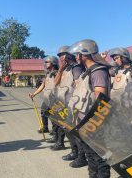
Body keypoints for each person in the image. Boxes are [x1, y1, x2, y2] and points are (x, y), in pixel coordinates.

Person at [68, 39, 111, 178]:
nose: (76, 57)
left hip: (94, 122)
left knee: (99, 156)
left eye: (77, 54)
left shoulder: (98, 71)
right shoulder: (86, 72)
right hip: (84, 121)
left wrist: (94, 123)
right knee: (90, 154)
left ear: (84, 54)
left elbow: (101, 99)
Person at [29, 56, 59, 133]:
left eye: (47, 62)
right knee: (43, 112)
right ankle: (45, 128)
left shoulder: (57, 74)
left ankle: (55, 132)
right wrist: (34, 94)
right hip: (47, 98)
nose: (45, 64)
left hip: (55, 99)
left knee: (53, 116)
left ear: (53, 63)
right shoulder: (47, 74)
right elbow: (43, 85)